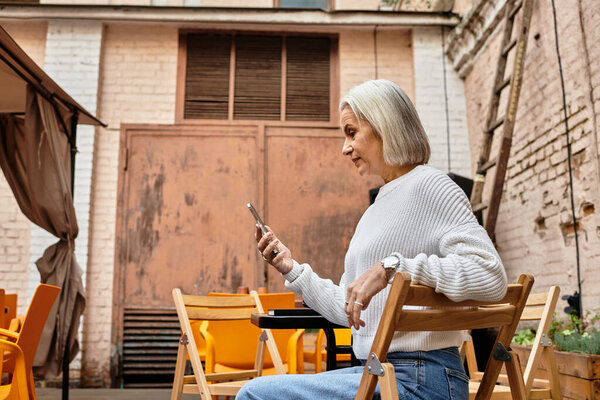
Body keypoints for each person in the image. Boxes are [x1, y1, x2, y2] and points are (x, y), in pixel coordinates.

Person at [236, 79, 507, 400]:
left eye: (352, 133)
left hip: (421, 377)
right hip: (377, 373)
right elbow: (348, 309)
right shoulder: (374, 210)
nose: (344, 147)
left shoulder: (432, 185)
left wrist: (393, 267)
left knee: (257, 395)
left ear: (385, 126)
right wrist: (291, 269)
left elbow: (491, 277)